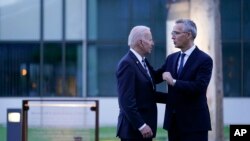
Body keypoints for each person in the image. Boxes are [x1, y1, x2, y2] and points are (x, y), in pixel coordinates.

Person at [158, 19, 213, 141]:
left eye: (176, 33)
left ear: (188, 35)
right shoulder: (171, 58)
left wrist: (174, 82)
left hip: (195, 125)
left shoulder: (204, 60)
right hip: (174, 124)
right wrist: (138, 64)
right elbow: (155, 76)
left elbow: (199, 87)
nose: (172, 37)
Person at [116, 25, 160, 141]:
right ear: (141, 42)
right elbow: (126, 101)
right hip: (133, 132)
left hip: (144, 131)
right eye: (150, 40)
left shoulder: (142, 61)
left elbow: (148, 90)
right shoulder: (127, 64)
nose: (152, 43)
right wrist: (141, 125)